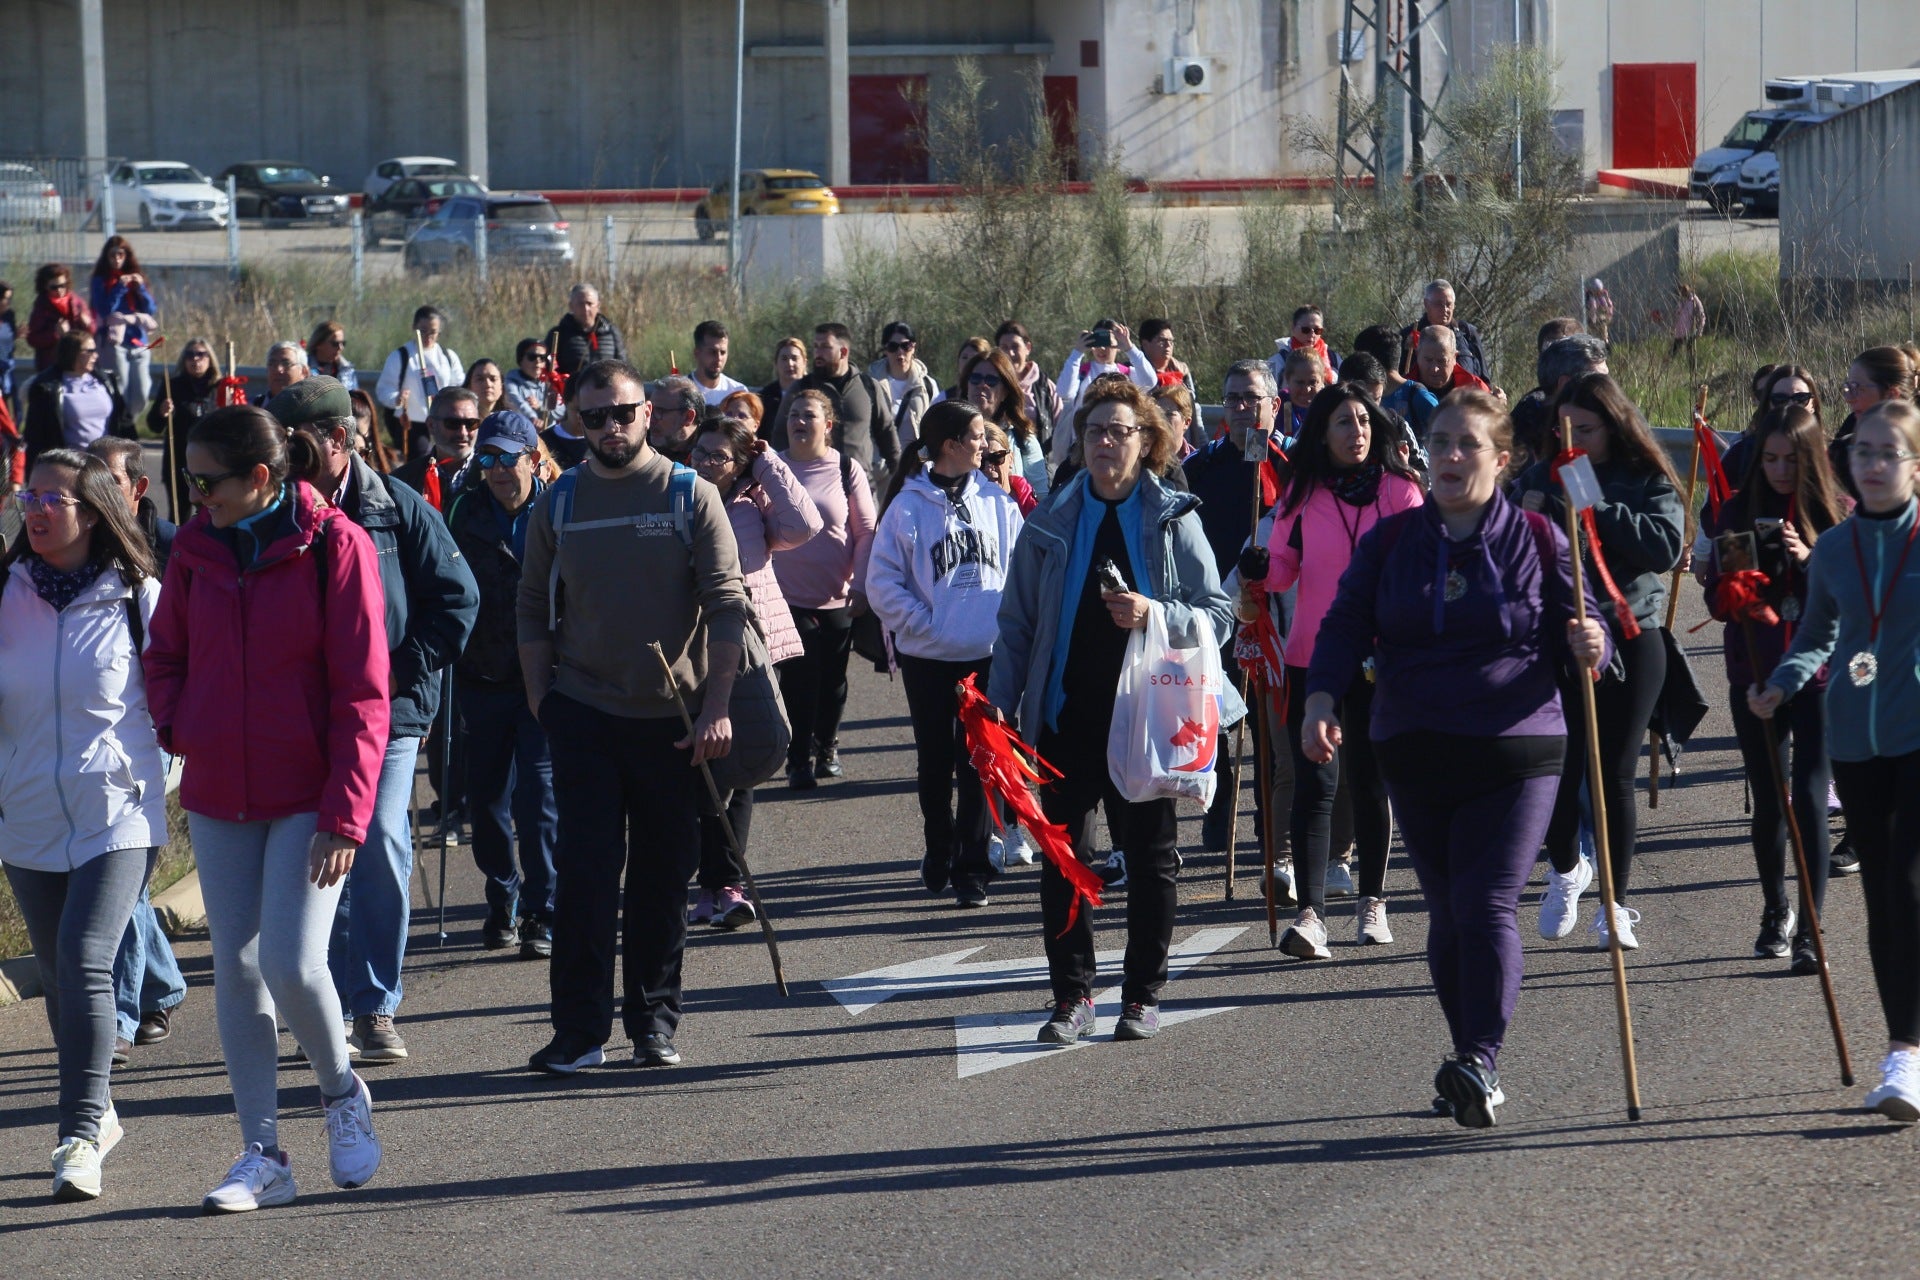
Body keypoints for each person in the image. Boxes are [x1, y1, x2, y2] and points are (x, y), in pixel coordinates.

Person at [1301, 391, 1610, 1127]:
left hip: (1517, 743)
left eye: (1467, 444)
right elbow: (1344, 621)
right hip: (1413, 742)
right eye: (1439, 442)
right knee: (1445, 911)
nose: (1449, 456)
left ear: (1501, 460)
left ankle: (1481, 1059)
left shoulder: (1540, 537)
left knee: (1486, 901)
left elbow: (1589, 616)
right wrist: (1319, 698)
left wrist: (1592, 641)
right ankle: (1467, 1056)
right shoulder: (1391, 542)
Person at [143, 405, 389, 1211]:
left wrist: (348, 814)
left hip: (311, 796)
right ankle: (263, 1154)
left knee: (290, 962)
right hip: (220, 791)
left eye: (207, 481)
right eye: (190, 481)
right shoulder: (194, 551)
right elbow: (165, 654)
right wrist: (183, 724)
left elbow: (364, 692)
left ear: (260, 478)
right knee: (238, 976)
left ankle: (341, 1091)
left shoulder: (337, 547)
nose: (195, 494)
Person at [515, 356, 752, 1075]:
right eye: (595, 417)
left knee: (659, 880)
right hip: (583, 712)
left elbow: (727, 603)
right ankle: (579, 1036)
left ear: (648, 413)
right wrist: (541, 700)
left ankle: (653, 1024)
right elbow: (531, 606)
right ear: (575, 421)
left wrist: (716, 707)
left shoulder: (689, 494)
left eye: (623, 413)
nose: (611, 428)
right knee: (585, 880)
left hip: (673, 722)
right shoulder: (559, 502)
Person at [990, 378, 1236, 1045]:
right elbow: (1016, 624)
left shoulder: (1173, 517)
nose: (1105, 442)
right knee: (1064, 859)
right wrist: (1000, 711)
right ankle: (1071, 998)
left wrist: (1154, 613)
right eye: (1094, 430)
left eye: (1120, 430)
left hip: (1148, 719)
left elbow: (1219, 615)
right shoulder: (1049, 521)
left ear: (1146, 440)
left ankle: (1140, 996)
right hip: (1066, 713)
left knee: (1152, 859)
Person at [264, 377, 479, 1066]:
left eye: (294, 443)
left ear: (338, 437)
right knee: (314, 852)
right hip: (303, 716)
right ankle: (321, 1000)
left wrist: (395, 671)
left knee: (378, 840)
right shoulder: (270, 514)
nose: (284, 459)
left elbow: (458, 600)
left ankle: (375, 1005)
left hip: (389, 713)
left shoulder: (397, 507)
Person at [1, 448, 166, 1200]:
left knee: (85, 958)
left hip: (118, 814)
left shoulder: (141, 596)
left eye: (52, 500)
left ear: (94, 513)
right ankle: (100, 1110)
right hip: (26, 813)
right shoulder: (2, 595)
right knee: (66, 984)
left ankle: (76, 1135)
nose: (34, 509)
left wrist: (164, 779)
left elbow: (179, 701)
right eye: (28, 496)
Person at [1751, 400, 1920, 1121]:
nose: (1876, 464)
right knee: (1884, 897)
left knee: (1909, 882)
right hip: (1856, 735)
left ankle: (1909, 1049)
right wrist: (1781, 683)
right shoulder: (1834, 549)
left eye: (1891, 453)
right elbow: (1818, 634)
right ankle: (1905, 1056)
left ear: (1915, 465)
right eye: (1865, 453)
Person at [1242, 383, 1425, 955]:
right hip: (1311, 659)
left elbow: (1421, 568)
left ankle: (1373, 902)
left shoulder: (1401, 493)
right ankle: (1311, 915)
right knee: (1314, 786)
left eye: (1364, 421)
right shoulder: (1301, 496)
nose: (1358, 432)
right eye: (1344, 423)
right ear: (1322, 433)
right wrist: (1260, 565)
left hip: (1381, 658)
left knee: (1370, 783)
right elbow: (1283, 575)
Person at [1514, 373, 1685, 949]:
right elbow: (1499, 550)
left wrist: (1594, 504)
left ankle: (1615, 903)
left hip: (1633, 632)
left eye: (1586, 428)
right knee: (1556, 770)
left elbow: (1663, 546)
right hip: (1555, 638)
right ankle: (1567, 869)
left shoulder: (1645, 476)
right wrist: (1524, 513)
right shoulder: (1537, 476)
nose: (1576, 439)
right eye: (1566, 429)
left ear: (1612, 425)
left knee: (1612, 772)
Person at [1700, 405, 1848, 974]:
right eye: (1769, 458)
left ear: (1809, 459)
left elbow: (1852, 600)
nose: (1780, 470)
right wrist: (1739, 584)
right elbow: (1719, 605)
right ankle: (1775, 909)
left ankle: (1812, 924)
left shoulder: (1835, 515)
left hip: (1819, 675)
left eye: (1791, 458)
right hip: (1757, 671)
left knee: (1810, 795)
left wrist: (1810, 561)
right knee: (1769, 797)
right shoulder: (1739, 511)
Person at [871, 402, 1024, 908]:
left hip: (985, 656)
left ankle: (973, 866)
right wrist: (924, 624)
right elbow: (882, 582)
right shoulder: (908, 505)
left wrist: (1012, 633)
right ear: (952, 444)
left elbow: (1021, 572)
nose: (987, 445)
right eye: (979, 436)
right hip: (928, 658)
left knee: (980, 761)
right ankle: (940, 845)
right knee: (935, 759)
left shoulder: (998, 503)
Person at [687, 415, 819, 927]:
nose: (703, 462)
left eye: (717, 456)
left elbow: (804, 526)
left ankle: (725, 885)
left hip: (754, 647)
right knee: (701, 765)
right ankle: (706, 883)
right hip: (695, 650)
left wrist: (767, 462)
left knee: (739, 771)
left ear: (741, 463)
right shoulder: (678, 494)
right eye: (699, 451)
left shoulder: (753, 500)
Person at [84, 439, 187, 1063]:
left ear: (136, 489)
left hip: (153, 742)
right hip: (90, 757)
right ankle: (163, 985)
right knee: (118, 883)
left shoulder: (171, 550)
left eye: (103, 479)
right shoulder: (72, 552)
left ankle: (118, 1018)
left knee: (114, 880)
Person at [445, 411, 559, 958]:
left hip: (545, 679)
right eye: (484, 458)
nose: (493, 469)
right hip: (481, 676)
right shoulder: (464, 509)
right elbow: (442, 583)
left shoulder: (559, 506)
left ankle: (543, 909)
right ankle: (502, 896)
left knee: (539, 801)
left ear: (531, 458)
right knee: (486, 803)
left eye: (504, 457)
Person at [1184, 360, 1293, 858]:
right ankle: (1219, 808)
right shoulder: (1200, 469)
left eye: (1252, 398)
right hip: (1217, 611)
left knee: (1270, 726)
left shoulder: (1295, 468)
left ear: (1274, 404)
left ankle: (1270, 821)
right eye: (1233, 400)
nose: (1243, 409)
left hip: (1279, 613)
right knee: (1218, 719)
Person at [773, 389, 877, 788]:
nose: (799, 421)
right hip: (785, 597)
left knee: (833, 681)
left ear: (827, 426)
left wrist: (862, 584)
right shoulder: (772, 468)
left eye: (809, 415)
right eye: (794, 414)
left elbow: (866, 531)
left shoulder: (846, 468)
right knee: (798, 679)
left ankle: (827, 744)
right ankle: (798, 758)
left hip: (839, 594)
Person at [772, 323, 897, 492]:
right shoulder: (801, 388)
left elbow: (887, 434)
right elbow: (780, 436)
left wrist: (901, 479)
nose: (818, 353)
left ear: (843, 352)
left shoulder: (869, 387)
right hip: (813, 489)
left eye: (825, 347)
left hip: (862, 488)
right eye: (816, 347)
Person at [1050, 319, 1156, 466]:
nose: (1101, 348)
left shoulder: (1127, 374)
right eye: (1096, 342)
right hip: (1083, 447)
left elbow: (1150, 381)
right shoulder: (1082, 373)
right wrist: (1077, 352)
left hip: (1120, 446)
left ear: (1117, 345)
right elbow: (1064, 392)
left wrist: (1130, 348)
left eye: (1107, 343)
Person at [1833, 345, 1920, 503]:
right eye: (1848, 387)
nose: (1849, 397)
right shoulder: (1842, 449)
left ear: (1891, 394)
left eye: (1857, 388)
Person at [374, 305, 464, 458]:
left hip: (443, 422)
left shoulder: (447, 356)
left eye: (433, 332)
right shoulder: (400, 356)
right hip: (412, 425)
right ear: (414, 327)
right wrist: (397, 398)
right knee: (422, 462)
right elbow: (384, 389)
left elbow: (459, 384)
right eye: (423, 331)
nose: (428, 336)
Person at [25, 331, 127, 463]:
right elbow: (35, 436)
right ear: (72, 353)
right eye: (90, 351)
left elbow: (123, 421)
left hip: (105, 465)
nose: (95, 355)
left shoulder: (106, 381)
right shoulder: (47, 388)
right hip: (70, 465)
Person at [1512, 333, 1609, 470]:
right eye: (1597, 380)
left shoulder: (1617, 418)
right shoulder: (1521, 438)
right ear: (1565, 384)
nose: (1609, 388)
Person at [962, 346, 1048, 500]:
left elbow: (1040, 498)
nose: (982, 385)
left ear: (1005, 392)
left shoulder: (1023, 439)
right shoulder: (948, 433)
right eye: (975, 378)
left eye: (991, 380)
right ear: (966, 386)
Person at [89, 237, 156, 420]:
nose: (117, 259)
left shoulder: (137, 276)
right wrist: (120, 287)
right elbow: (104, 309)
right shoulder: (100, 281)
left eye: (121, 254)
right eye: (113, 255)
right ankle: (122, 426)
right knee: (121, 389)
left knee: (142, 393)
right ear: (107, 257)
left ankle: (129, 421)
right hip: (114, 341)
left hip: (138, 340)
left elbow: (150, 310)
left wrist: (140, 288)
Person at [149, 339, 225, 497]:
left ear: (210, 359)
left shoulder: (221, 387)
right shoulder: (172, 386)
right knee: (180, 515)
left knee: (210, 513)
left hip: (211, 460)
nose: (195, 359)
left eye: (201, 355)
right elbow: (153, 426)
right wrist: (161, 413)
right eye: (190, 355)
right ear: (184, 360)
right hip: (178, 461)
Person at [394, 386, 480, 512]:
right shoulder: (403, 482)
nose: (463, 433)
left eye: (471, 423)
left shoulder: (495, 475)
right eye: (452, 423)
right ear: (431, 425)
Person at [1353, 323, 1439, 441]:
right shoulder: (1365, 398)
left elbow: (1448, 427)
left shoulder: (1417, 395)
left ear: (1372, 361)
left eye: (1359, 359)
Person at [869, 321, 938, 458]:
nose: (900, 352)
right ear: (885, 349)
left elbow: (937, 427)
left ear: (913, 347)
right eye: (893, 347)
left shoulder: (927, 385)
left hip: (917, 466)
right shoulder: (870, 384)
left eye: (906, 346)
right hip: (881, 467)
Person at [1400, 279, 1489, 381]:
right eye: (1439, 304)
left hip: (1464, 395)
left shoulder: (1467, 333)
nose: (1445, 309)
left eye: (1449, 304)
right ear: (1426, 304)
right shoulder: (1409, 335)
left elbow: (1484, 377)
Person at [995, 320, 1062, 449]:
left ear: (1028, 348)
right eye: (1004, 348)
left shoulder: (1045, 387)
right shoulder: (990, 384)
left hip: (1042, 462)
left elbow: (1061, 428)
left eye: (1015, 346)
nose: (1010, 353)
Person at [26, 263, 94, 373]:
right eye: (54, 287)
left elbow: (91, 332)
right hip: (52, 364)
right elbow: (33, 339)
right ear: (45, 287)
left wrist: (88, 324)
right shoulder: (41, 307)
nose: (59, 290)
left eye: (63, 285)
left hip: (77, 362)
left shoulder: (77, 302)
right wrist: (56, 334)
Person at [550, 283, 626, 377]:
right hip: (572, 390)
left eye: (589, 304)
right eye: (580, 304)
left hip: (605, 390)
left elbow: (623, 367)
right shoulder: (559, 334)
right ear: (571, 306)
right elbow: (549, 368)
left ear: (598, 306)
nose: (585, 309)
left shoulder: (611, 333)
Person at [1268, 306, 1341, 391]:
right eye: (1306, 330)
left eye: (1317, 330)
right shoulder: (1278, 361)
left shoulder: (1334, 359)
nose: (1312, 334)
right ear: (1293, 328)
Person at [1415, 326, 1492, 402]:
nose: (1434, 368)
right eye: (1428, 360)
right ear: (1417, 355)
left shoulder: (1476, 390)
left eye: (1441, 361)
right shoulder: (1405, 391)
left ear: (1454, 357)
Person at [980, 419, 1037, 515]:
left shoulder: (1031, 504)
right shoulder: (965, 507)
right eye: (980, 461)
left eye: (997, 457)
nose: (988, 468)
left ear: (1010, 459)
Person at [648, 374, 703, 465]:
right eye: (650, 410)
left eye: (660, 411)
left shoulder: (709, 456)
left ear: (688, 417)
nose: (651, 419)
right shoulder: (642, 446)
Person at [690, 319, 747, 406]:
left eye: (723, 352)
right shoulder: (680, 392)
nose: (718, 358)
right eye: (712, 352)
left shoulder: (738, 392)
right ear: (697, 353)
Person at [504, 337, 558, 427]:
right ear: (521, 359)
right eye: (532, 357)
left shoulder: (552, 383)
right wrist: (533, 417)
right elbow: (518, 402)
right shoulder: (510, 382)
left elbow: (560, 410)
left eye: (542, 357)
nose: (537, 361)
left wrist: (540, 407)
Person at [758, 335, 808, 421]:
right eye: (784, 359)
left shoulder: (815, 392)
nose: (790, 364)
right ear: (776, 364)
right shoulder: (764, 397)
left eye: (794, 358)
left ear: (804, 362)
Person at [1139, 318, 1195, 394]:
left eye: (1171, 341)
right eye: (1162, 340)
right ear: (1145, 344)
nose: (1168, 345)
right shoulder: (1132, 371)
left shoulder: (1182, 370)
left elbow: (1191, 400)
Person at [1154, 380, 1204, 456]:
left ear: (1187, 422)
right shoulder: (1141, 459)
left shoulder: (1197, 462)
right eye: (1158, 414)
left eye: (1168, 414)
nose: (1161, 420)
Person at [307, 321, 356, 391]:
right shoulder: (304, 368)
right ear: (319, 344)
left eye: (343, 343)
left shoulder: (347, 369)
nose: (341, 348)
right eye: (335, 344)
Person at [1670, 283, 1706, 365]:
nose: (1682, 294)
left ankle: (1693, 370)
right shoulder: (1681, 302)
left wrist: (1699, 330)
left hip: (1691, 331)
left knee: (1690, 351)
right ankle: (1665, 369)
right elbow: (1676, 316)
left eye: (1683, 292)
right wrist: (1673, 328)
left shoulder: (1694, 301)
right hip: (1680, 331)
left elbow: (1701, 316)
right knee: (1673, 351)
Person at [1585, 278, 1615, 343]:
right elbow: (1591, 307)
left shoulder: (1603, 296)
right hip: (1591, 318)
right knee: (1593, 303)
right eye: (1596, 291)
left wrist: (1609, 314)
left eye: (1599, 291)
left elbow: (1609, 306)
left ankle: (1605, 341)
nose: (1598, 293)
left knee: (1603, 327)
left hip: (1601, 317)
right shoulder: (1589, 296)